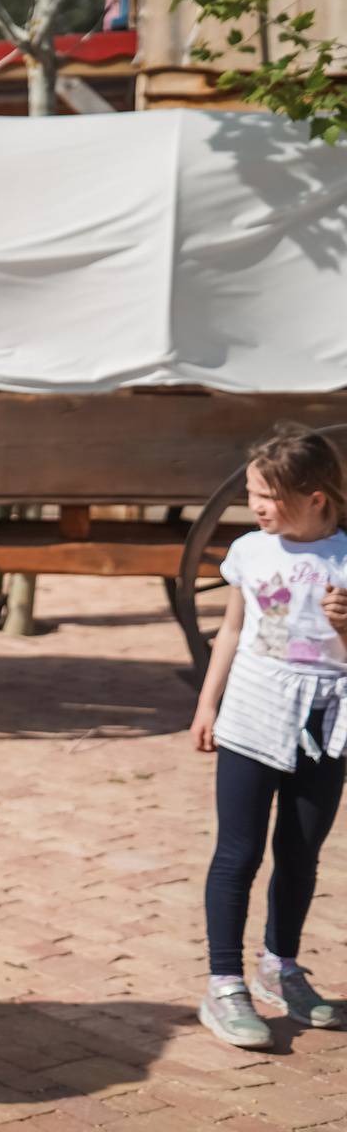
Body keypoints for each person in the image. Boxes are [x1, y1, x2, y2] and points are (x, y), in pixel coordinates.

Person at [191, 423, 347, 1050]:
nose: (255, 506)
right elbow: (230, 631)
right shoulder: (251, 551)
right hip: (253, 715)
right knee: (238, 852)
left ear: (314, 495)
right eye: (252, 493)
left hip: (326, 723)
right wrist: (207, 704)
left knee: (301, 852)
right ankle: (225, 983)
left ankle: (280, 967)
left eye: (267, 495)